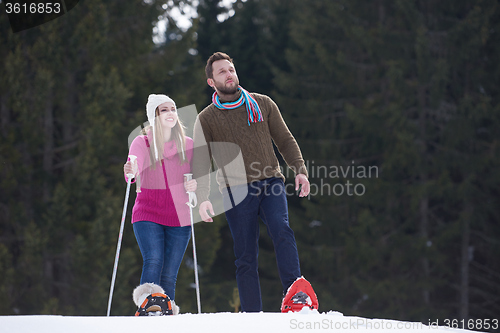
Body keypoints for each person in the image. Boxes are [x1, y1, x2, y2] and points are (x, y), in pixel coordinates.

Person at [192, 52, 311, 312]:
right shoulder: (206, 118)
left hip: (271, 181)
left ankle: (296, 297)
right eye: (222, 71)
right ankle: (251, 316)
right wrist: (202, 199)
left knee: (282, 229)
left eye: (231, 69)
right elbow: (200, 162)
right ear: (211, 82)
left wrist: (299, 169)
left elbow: (285, 139)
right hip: (234, 192)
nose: (229, 74)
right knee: (246, 256)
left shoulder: (262, 103)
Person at [124, 94, 197, 314]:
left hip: (179, 215)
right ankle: (148, 307)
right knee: (154, 259)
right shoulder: (143, 142)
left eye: (173, 109)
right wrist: (131, 171)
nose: (170, 113)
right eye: (163, 110)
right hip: (148, 211)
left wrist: (196, 184)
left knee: (170, 274)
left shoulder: (188, 145)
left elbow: (199, 177)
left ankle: (164, 315)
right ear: (154, 116)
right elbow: (133, 165)